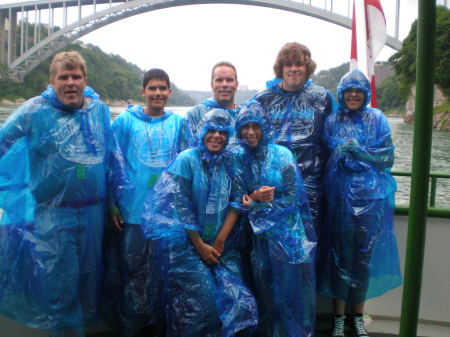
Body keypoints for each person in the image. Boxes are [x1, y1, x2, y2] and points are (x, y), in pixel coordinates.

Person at [0, 51, 110, 337]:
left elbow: (114, 158)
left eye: (76, 77)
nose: (70, 82)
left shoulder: (98, 110)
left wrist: (115, 203)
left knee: (89, 281)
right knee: (61, 285)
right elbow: (3, 142)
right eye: (64, 77)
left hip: (94, 212)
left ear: (86, 80)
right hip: (54, 214)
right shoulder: (34, 110)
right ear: (52, 81)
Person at [141, 109, 258, 337]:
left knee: (240, 301)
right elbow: (180, 207)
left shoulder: (231, 161)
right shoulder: (187, 159)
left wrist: (220, 240)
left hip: (222, 245)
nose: (216, 136)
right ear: (202, 132)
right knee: (202, 303)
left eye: (222, 132)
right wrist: (200, 245)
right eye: (211, 131)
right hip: (187, 246)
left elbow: (236, 201)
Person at [104, 69, 193, 337]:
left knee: (164, 272)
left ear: (169, 92)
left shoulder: (179, 124)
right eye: (152, 88)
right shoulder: (124, 123)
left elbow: (188, 167)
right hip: (132, 212)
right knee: (133, 273)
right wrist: (111, 204)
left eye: (162, 88)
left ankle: (159, 325)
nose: (157, 93)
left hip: (167, 215)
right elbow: (110, 165)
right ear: (143, 91)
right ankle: (133, 327)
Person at [317, 69, 402, 337]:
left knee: (363, 260)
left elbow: (386, 157)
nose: (353, 95)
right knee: (339, 259)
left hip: (370, 199)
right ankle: (339, 319)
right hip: (341, 199)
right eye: (348, 91)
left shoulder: (377, 118)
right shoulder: (332, 121)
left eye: (358, 91)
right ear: (341, 94)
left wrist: (359, 152)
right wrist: (348, 154)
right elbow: (328, 157)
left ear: (365, 94)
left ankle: (357, 317)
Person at [233, 100, 316, 337]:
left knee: (290, 292)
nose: (250, 132)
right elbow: (237, 198)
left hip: (288, 236)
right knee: (264, 291)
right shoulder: (238, 158)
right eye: (245, 127)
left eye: (255, 126)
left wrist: (261, 203)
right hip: (257, 240)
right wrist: (254, 197)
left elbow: (293, 198)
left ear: (265, 127)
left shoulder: (282, 155)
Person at [252, 42, 334, 239]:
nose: (294, 69)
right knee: (273, 243)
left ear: (308, 69)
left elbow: (332, 140)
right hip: (272, 186)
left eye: (300, 64)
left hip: (311, 186)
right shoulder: (262, 100)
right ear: (281, 68)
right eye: (288, 64)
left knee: (309, 242)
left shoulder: (321, 98)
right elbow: (249, 138)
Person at [185, 61, 240, 148]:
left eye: (229, 80)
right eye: (219, 80)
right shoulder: (195, 114)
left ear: (236, 85)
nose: (224, 84)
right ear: (211, 84)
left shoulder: (243, 116)